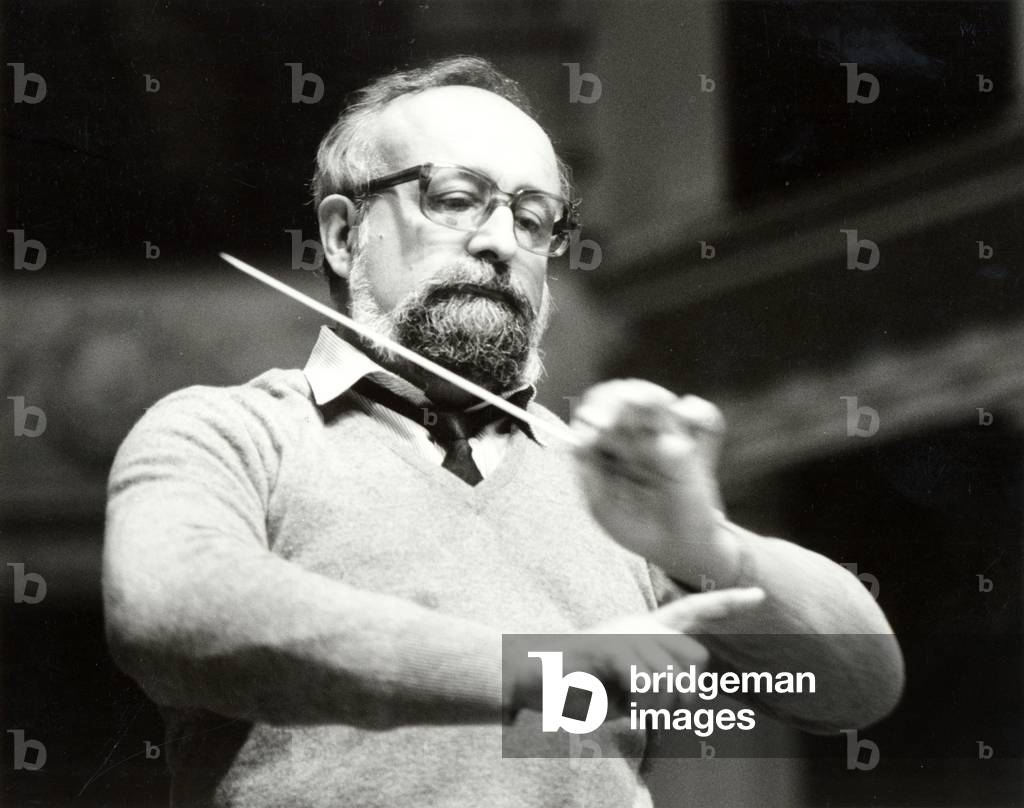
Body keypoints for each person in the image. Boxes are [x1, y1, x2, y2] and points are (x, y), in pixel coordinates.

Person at [103, 56, 903, 808]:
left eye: (533, 218)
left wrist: (713, 550)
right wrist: (537, 674)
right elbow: (169, 607)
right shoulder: (230, 431)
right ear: (346, 235)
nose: (500, 243)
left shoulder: (603, 479)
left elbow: (859, 685)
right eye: (455, 199)